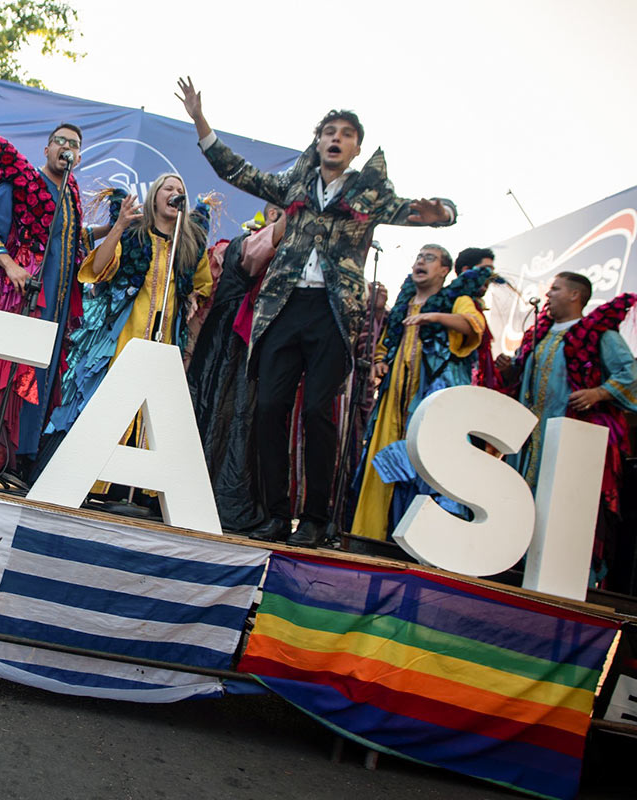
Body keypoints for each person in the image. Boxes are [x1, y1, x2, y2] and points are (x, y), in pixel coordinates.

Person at [176, 76, 457, 547]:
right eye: (329, 131)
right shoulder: (295, 184)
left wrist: (443, 212)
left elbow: (418, 210)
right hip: (285, 307)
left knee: (318, 414)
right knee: (269, 409)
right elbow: (239, 172)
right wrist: (201, 121)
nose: (336, 138)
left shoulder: (369, 196)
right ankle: (274, 513)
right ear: (318, 140)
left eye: (346, 134)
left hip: (331, 313)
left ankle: (316, 518)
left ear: (356, 148)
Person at [44, 173, 213, 495]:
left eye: (181, 190)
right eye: (168, 188)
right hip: (121, 340)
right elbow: (98, 269)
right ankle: (95, 483)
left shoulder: (190, 245)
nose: (175, 194)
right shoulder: (134, 234)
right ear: (154, 196)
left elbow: (202, 285)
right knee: (108, 402)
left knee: (153, 410)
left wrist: (192, 298)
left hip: (164, 343)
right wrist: (119, 226)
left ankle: (138, 489)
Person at [0, 124, 85, 481]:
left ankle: (17, 459)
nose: (67, 147)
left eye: (74, 144)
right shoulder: (22, 182)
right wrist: (11, 266)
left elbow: (71, 246)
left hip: (54, 309)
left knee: (40, 377)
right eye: (61, 141)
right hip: (21, 298)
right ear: (46, 149)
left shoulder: (71, 198)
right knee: (7, 376)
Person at [496, 273, 637, 585]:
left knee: (563, 505)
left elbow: (631, 372)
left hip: (571, 436)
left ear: (575, 295)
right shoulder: (539, 336)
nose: (549, 295)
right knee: (521, 497)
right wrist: (510, 369)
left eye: (555, 289)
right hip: (530, 438)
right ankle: (515, 564)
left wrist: (599, 393)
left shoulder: (600, 334)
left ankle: (565, 576)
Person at [349, 246, 490, 541]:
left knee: (428, 460)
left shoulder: (457, 299)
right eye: (418, 257)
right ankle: (373, 535)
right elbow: (385, 346)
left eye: (429, 258)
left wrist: (433, 317)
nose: (420, 262)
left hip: (432, 398)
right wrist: (378, 364)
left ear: (444, 270)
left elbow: (474, 325)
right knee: (383, 455)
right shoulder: (405, 302)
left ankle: (422, 539)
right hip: (393, 400)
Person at [188, 204, 284, 531]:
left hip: (253, 346)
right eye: (281, 211)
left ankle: (219, 496)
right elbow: (254, 258)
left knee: (242, 417)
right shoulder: (242, 245)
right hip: (227, 342)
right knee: (219, 410)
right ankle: (199, 495)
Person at [454, 247, 501, 390]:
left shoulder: (476, 306)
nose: (490, 276)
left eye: (492, 271)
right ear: (466, 271)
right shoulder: (447, 303)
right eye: (485, 270)